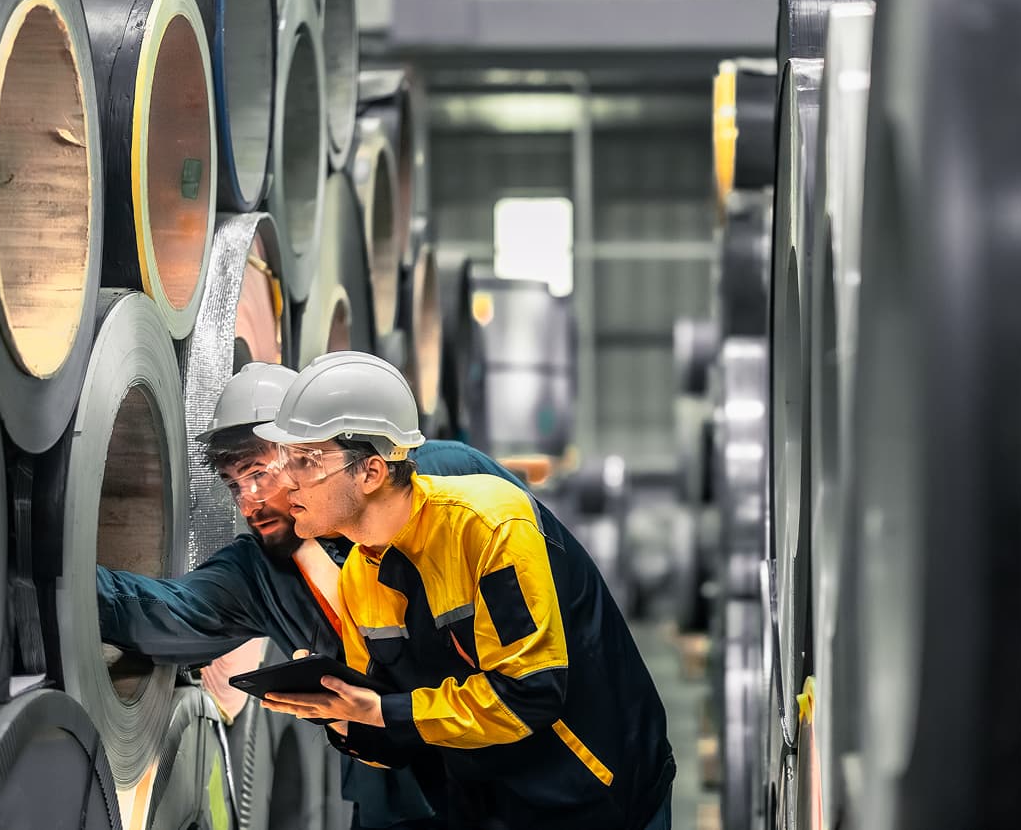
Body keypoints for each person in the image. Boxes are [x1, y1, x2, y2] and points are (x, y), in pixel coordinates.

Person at [95, 362, 533, 829]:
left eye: (259, 474)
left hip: (514, 765)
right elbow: (157, 615)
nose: (249, 503)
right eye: (235, 485)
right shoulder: (260, 571)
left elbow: (551, 585)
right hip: (402, 795)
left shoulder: (446, 479)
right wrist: (49, 569)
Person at [255, 352, 676, 830]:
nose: (283, 484)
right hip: (490, 805)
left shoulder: (489, 526)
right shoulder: (358, 573)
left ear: (370, 472)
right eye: (285, 460)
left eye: (306, 461)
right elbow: (401, 730)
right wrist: (340, 711)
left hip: (596, 793)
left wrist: (386, 711)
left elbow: (529, 695)